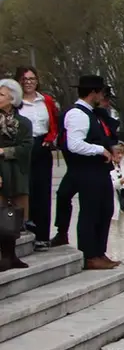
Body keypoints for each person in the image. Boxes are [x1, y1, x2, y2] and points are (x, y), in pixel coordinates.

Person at [57, 75, 118, 270]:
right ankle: (89, 254)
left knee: (104, 210)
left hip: (98, 171)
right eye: (101, 92)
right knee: (90, 213)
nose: (102, 96)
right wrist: (100, 150)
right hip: (86, 171)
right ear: (93, 93)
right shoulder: (77, 114)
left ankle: (100, 251)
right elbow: (74, 144)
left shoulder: (92, 113)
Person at [16, 67, 57, 251]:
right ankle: (25, 228)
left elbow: (54, 124)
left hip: (42, 145)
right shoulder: (16, 102)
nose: (29, 82)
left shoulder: (45, 100)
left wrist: (50, 139)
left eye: (32, 78)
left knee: (43, 191)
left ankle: (42, 236)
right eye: (25, 79)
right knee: (26, 190)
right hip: (23, 147)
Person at [0, 78, 33, 271]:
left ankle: (12, 256)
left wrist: (5, 152)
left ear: (13, 98)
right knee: (0, 211)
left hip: (17, 172)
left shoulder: (23, 123)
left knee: (14, 215)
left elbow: (27, 147)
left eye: (2, 94)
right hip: (1, 172)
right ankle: (4, 255)